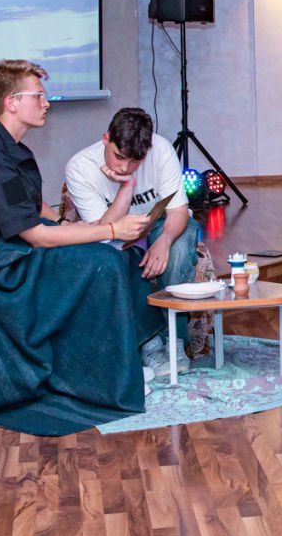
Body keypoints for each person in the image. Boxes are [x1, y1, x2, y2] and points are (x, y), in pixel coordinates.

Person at [0, 60, 159, 435]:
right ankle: (100, 379)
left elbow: (32, 206)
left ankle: (121, 359)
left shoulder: (3, 144)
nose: (46, 103)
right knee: (101, 263)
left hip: (8, 245)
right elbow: (36, 237)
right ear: (11, 102)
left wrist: (66, 224)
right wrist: (109, 229)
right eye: (38, 96)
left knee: (117, 256)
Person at [65, 107, 199, 379]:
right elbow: (103, 233)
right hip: (114, 233)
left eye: (135, 161)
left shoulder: (161, 150)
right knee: (113, 260)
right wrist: (126, 186)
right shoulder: (80, 167)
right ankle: (149, 343)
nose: (124, 167)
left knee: (176, 252)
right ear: (106, 139)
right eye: (119, 157)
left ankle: (174, 341)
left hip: (160, 223)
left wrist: (164, 241)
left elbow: (178, 211)